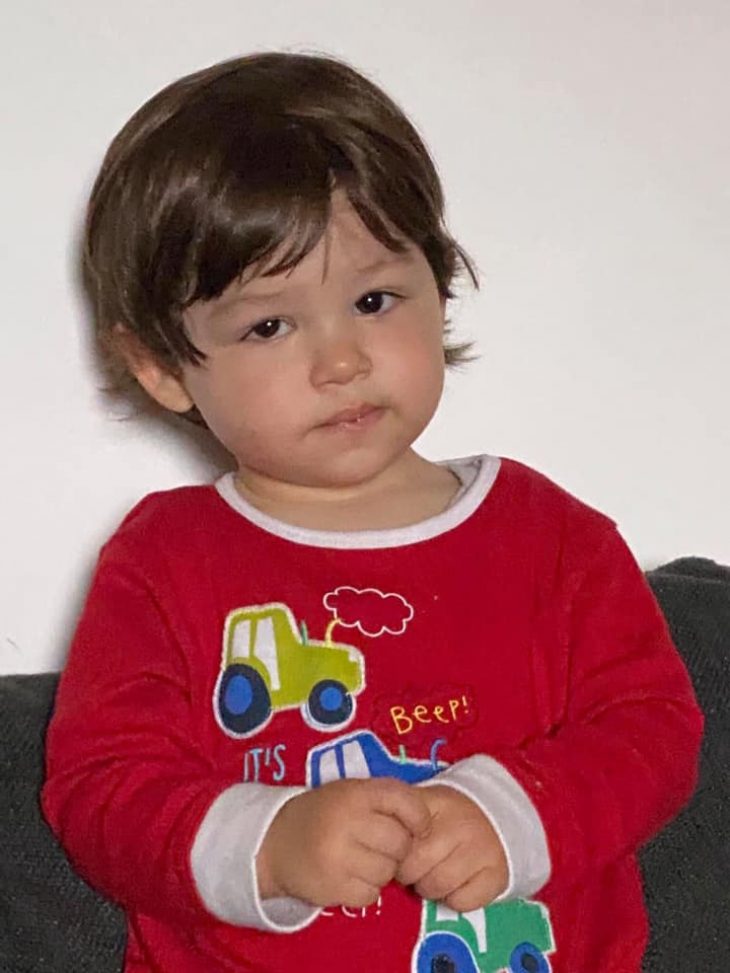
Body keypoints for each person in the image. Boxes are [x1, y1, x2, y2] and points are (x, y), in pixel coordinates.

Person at [42, 51, 703, 973]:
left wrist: (517, 812)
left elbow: (654, 728)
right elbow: (100, 789)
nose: (342, 360)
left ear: (440, 284)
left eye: (373, 299)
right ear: (160, 367)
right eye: (269, 325)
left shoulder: (555, 538)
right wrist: (269, 842)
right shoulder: (164, 559)